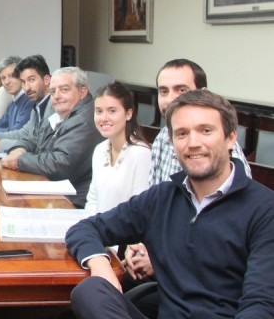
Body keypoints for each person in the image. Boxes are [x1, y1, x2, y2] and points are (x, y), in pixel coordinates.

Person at [66, 90, 274, 318]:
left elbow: (260, 304)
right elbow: (85, 228)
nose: (193, 143)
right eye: (182, 134)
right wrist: (99, 263)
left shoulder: (264, 209)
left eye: (206, 131)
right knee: (91, 290)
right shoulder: (161, 198)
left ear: (231, 137)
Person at [1, 67, 102, 208]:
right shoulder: (60, 113)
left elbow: (61, 163)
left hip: (72, 202)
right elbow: (34, 139)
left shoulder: (85, 119)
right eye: (53, 91)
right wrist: (20, 148)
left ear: (82, 92)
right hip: (53, 192)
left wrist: (20, 161)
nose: (57, 96)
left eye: (64, 90)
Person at [148, 58, 251, 185]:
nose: (170, 99)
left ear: (203, 94)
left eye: (181, 90)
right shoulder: (163, 136)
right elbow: (154, 195)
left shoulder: (225, 148)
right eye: (164, 91)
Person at [85, 82, 150, 216]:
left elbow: (138, 209)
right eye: (99, 111)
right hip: (97, 230)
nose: (104, 118)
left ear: (128, 114)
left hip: (124, 234)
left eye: (112, 111)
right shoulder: (99, 150)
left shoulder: (141, 153)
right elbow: (93, 199)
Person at [0, 54, 52, 153]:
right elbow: (23, 133)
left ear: (47, 80)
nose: (27, 87)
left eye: (31, 80)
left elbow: (36, 145)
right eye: (23, 82)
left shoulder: (52, 106)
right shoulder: (37, 105)